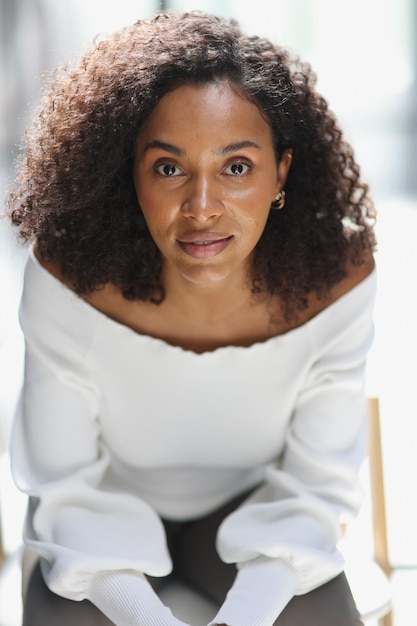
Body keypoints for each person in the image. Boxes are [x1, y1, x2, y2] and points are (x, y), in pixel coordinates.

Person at [5, 10, 377, 626]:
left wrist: (245, 615)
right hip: (92, 521)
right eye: (169, 167)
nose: (202, 208)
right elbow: (66, 484)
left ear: (280, 171)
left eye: (236, 168)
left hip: (257, 514)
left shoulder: (336, 280)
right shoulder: (68, 278)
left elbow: (317, 481)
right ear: (130, 173)